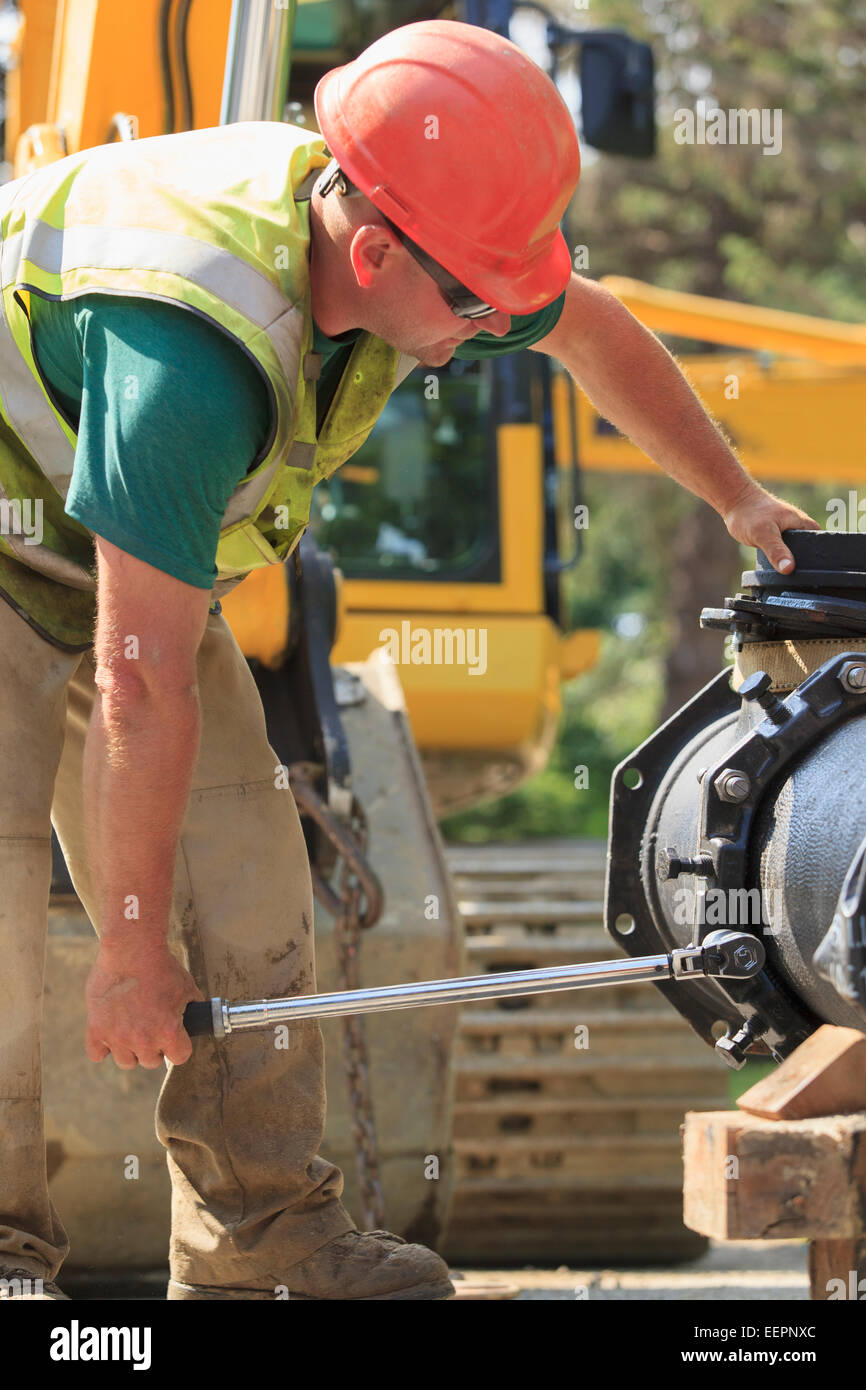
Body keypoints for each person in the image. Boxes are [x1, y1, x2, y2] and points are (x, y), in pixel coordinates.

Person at [0, 18, 818, 1301]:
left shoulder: (427, 241)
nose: (491, 321)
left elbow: (587, 327)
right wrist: (127, 949)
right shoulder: (190, 359)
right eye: (473, 300)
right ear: (370, 248)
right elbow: (140, 678)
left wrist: (738, 502)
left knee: (249, 894)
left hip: (128, 535)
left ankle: (262, 1244)